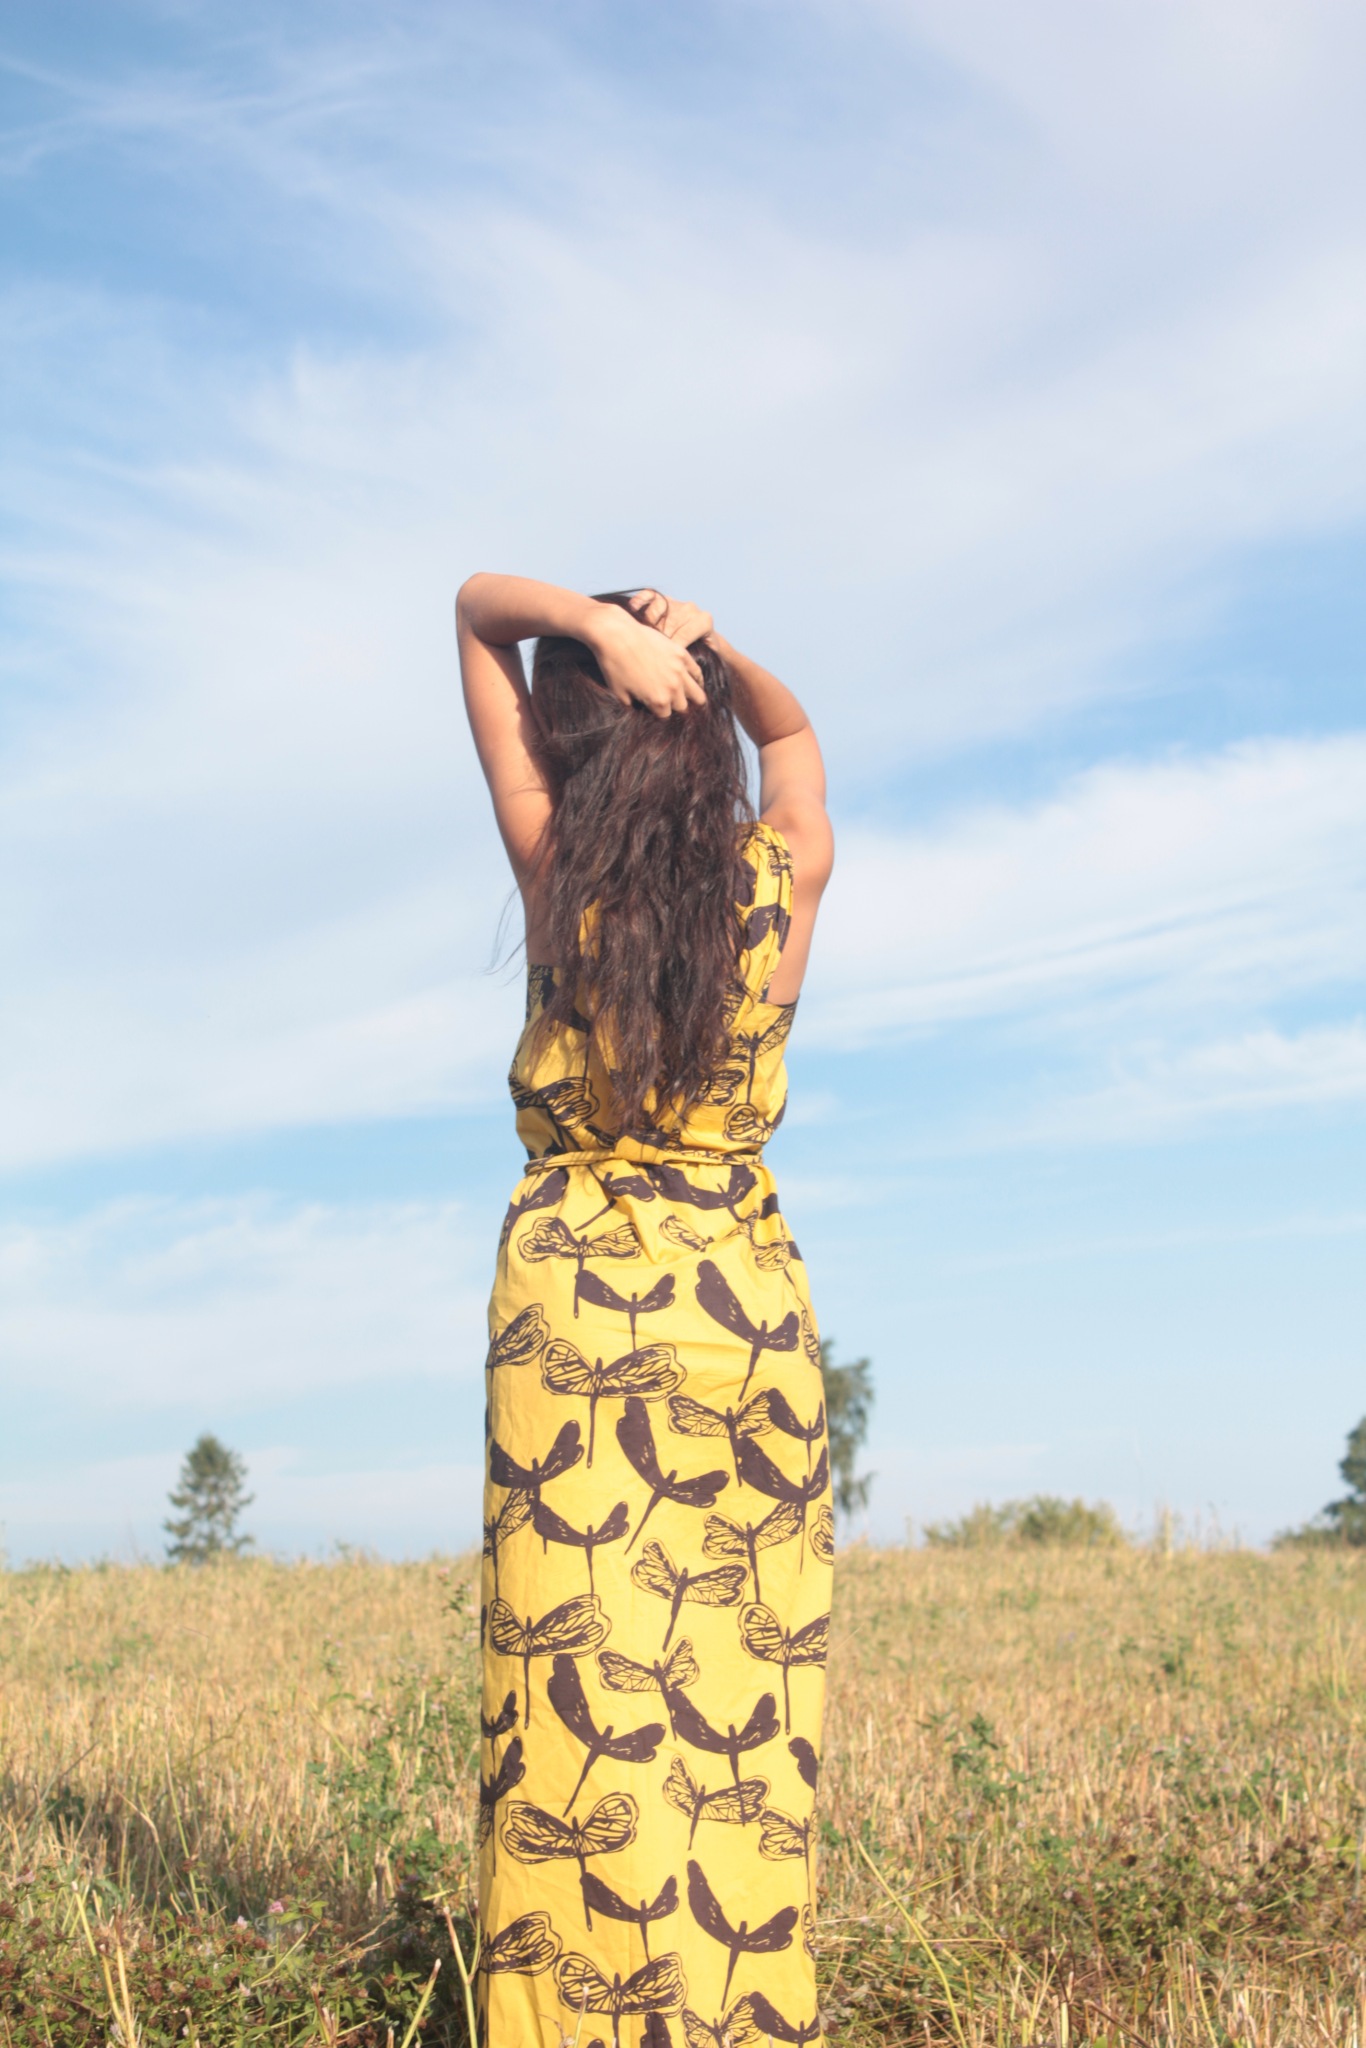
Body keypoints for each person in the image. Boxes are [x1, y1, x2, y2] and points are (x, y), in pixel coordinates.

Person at [458, 574, 835, 2048]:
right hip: (740, 1309)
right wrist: (709, 650)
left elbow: (474, 613)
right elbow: (791, 741)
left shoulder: (558, 874)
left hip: (571, 1313)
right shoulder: (777, 881)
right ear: (695, 732)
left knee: (571, 1690)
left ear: (573, 744)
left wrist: (600, 628)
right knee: (743, 1689)